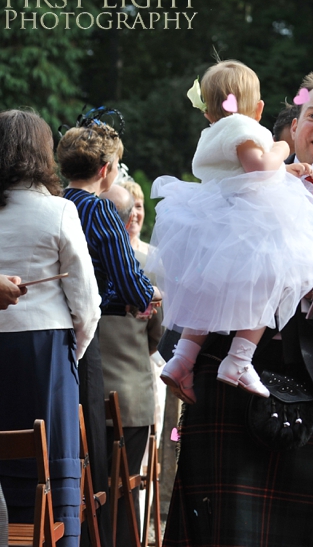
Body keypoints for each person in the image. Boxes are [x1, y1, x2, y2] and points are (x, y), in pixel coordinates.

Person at [162, 71, 313, 547]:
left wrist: (308, 289)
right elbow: (194, 269)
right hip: (223, 385)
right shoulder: (234, 186)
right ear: (293, 126)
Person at [150, 59, 313, 401]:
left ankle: (181, 359)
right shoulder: (244, 128)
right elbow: (260, 169)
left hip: (215, 223)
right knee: (267, 283)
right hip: (249, 224)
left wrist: (284, 172)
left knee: (209, 295)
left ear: (208, 111)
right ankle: (238, 359)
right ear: (258, 108)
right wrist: (281, 148)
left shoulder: (212, 133)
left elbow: (241, 171)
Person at [57, 111, 159, 547]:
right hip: (94, 344)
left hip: (56, 336)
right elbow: (130, 279)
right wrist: (147, 295)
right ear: (106, 170)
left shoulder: (57, 204)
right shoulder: (99, 209)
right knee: (109, 481)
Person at [0, 109, 101, 547]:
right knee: (47, 462)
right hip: (46, 351)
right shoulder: (59, 210)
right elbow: (87, 303)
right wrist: (71, 355)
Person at [99, 180, 163, 547]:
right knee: (126, 489)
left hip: (88, 394)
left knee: (93, 490)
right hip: (134, 395)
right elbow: (156, 333)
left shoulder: (87, 259)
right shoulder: (145, 267)